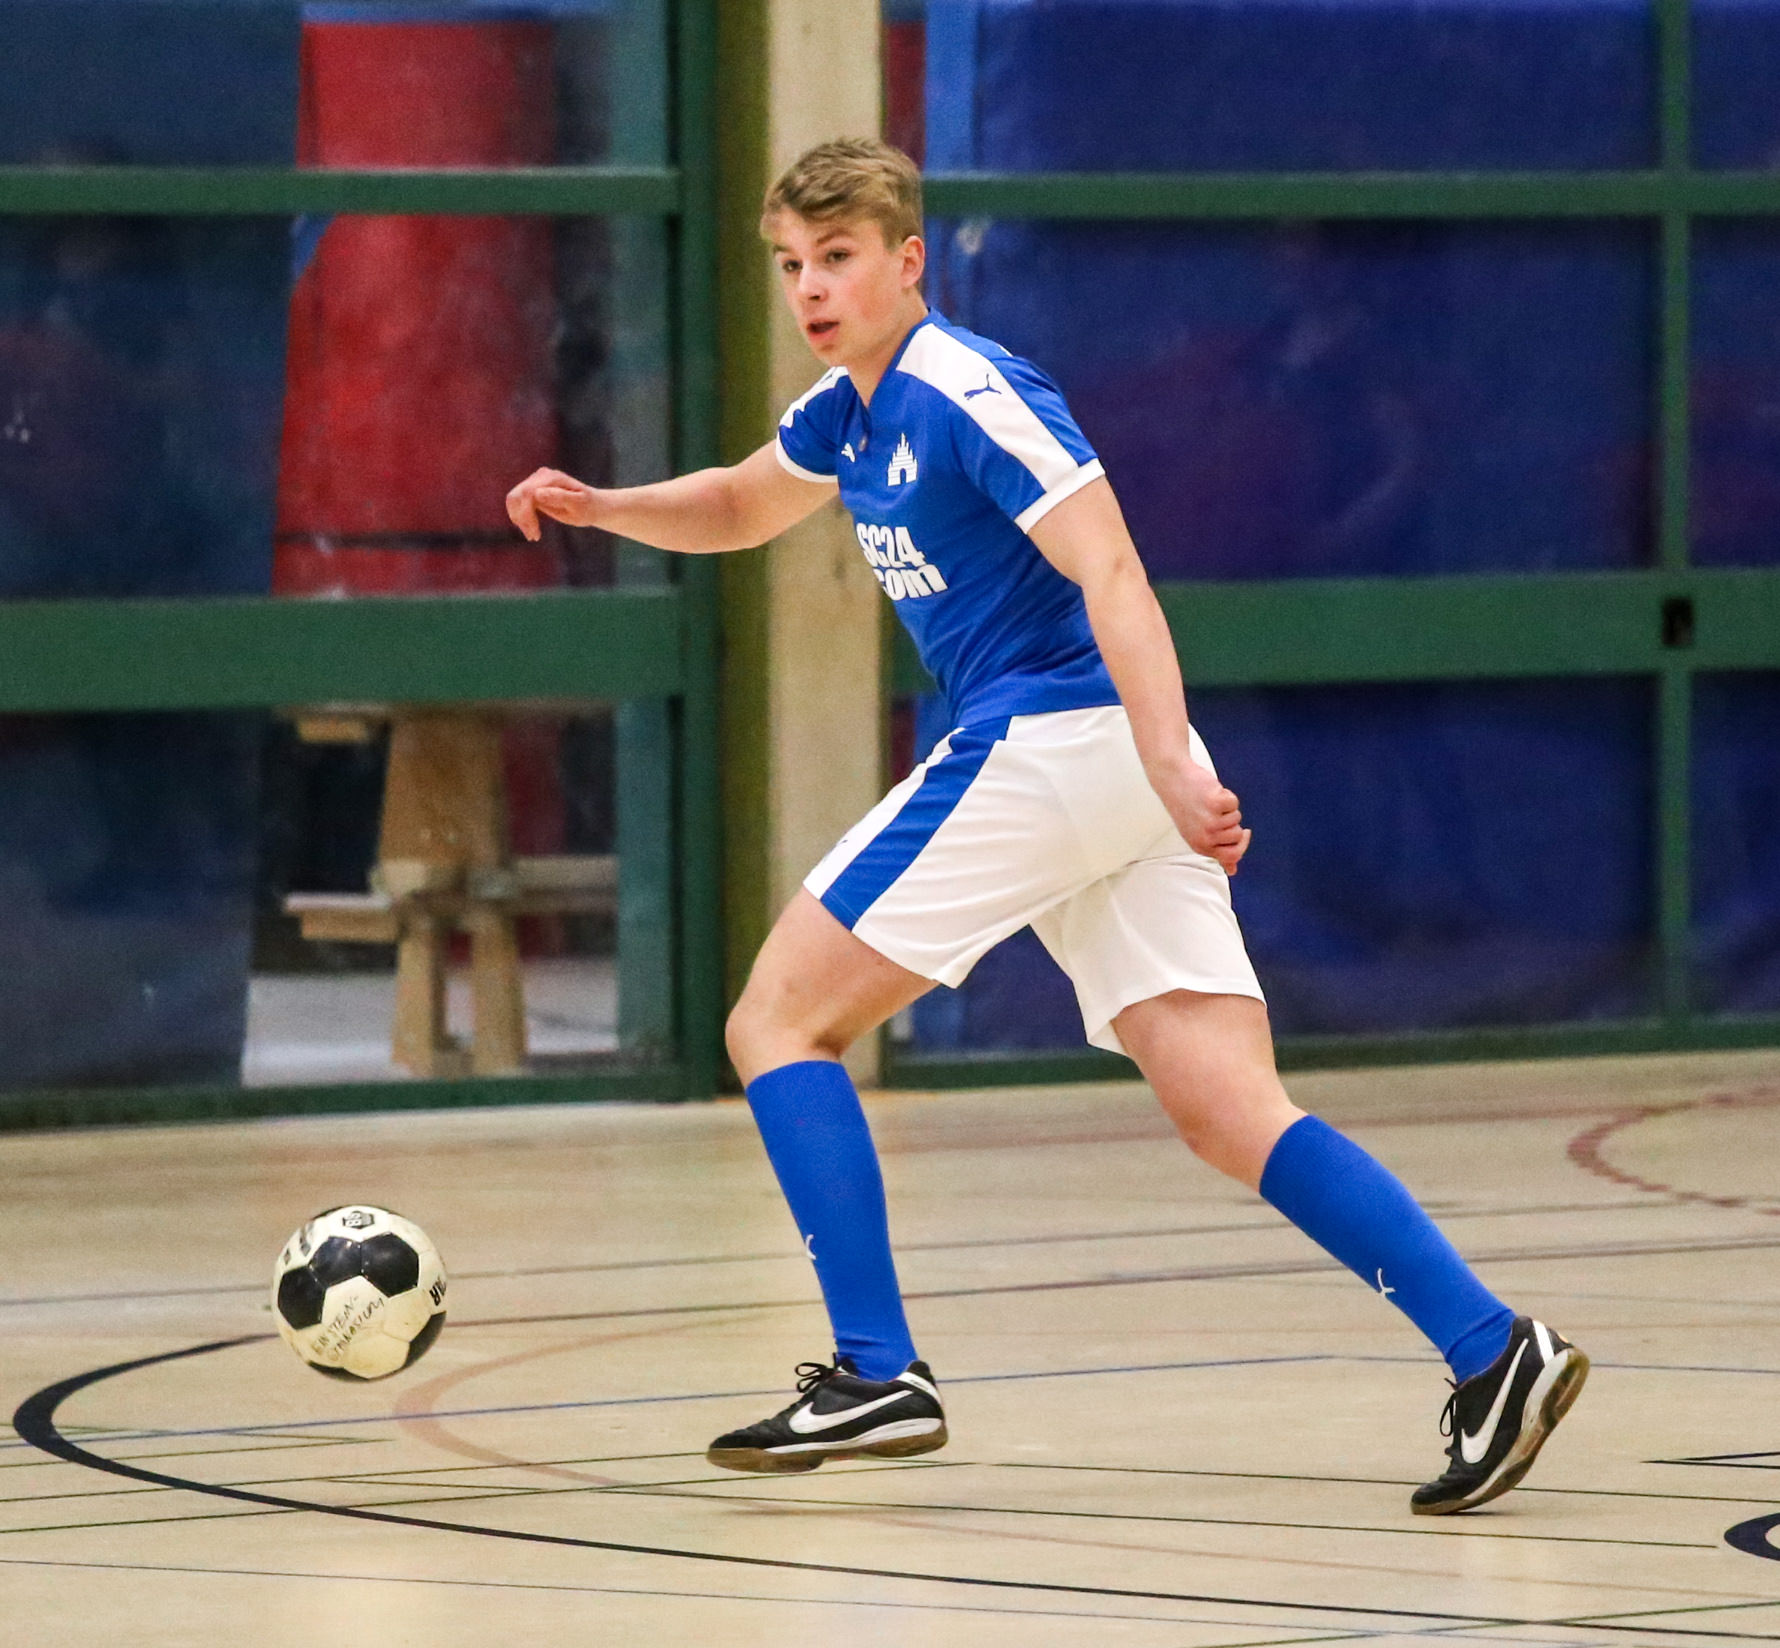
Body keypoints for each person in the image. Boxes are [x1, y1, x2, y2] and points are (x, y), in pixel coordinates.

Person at [504, 139, 1587, 1517]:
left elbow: (1113, 564)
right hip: (1103, 769)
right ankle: (1494, 1350)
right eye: (790, 265)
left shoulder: (970, 388)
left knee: (776, 1020)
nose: (811, 289)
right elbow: (741, 500)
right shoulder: (845, 412)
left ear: (910, 261)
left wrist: (1166, 756)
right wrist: (602, 506)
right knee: (1228, 1107)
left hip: (1062, 742)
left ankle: (875, 1371)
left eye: (837, 259)